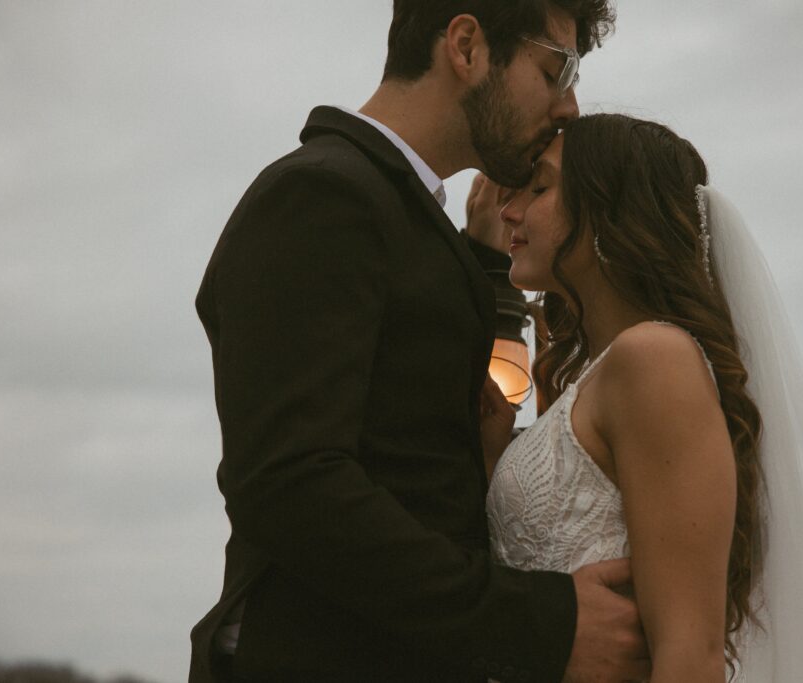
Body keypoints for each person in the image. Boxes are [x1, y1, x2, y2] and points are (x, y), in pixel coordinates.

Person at [189, 2, 655, 681]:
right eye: (555, 70)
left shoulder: (405, 217)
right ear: (465, 46)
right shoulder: (321, 194)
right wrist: (540, 624)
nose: (570, 107)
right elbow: (292, 483)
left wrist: (489, 269)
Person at [478, 114, 803, 681]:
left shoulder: (655, 359)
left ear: (610, 210)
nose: (509, 210)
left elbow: (690, 656)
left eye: (539, 188)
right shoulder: (597, 375)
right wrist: (495, 454)